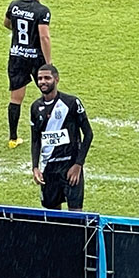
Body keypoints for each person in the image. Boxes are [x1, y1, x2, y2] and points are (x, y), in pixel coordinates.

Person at [30, 64, 93, 211]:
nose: (43, 82)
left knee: (76, 216)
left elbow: (88, 134)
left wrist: (78, 165)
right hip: (49, 170)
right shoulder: (35, 107)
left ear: (56, 79)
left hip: (70, 168)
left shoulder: (71, 103)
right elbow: (35, 139)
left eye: (47, 78)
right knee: (53, 217)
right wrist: (35, 167)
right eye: (40, 79)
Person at [4, 0, 52, 149]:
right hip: (35, 58)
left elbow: (6, 23)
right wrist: (48, 63)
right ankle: (49, 133)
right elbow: (44, 37)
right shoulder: (42, 11)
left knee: (16, 98)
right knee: (49, 95)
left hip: (16, 56)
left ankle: (13, 138)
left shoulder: (14, 5)